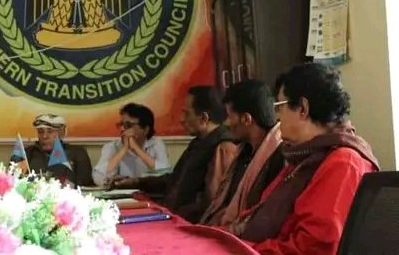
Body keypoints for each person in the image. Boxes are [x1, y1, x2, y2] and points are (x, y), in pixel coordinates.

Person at [234, 63, 379, 254]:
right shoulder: (305, 157)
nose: (277, 117)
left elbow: (312, 249)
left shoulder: (343, 162)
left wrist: (241, 251)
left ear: (303, 108)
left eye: (280, 107)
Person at [112, 87, 237, 222]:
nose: (181, 119)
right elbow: (174, 180)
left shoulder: (224, 148)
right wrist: (135, 182)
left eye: (186, 113)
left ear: (203, 118)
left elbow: (212, 206)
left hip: (186, 224)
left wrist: (169, 215)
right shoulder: (198, 143)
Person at [200, 79, 285, 228]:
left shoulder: (280, 157)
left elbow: (264, 218)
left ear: (246, 119)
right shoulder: (243, 152)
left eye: (229, 116)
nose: (226, 123)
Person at [93, 103, 170, 186]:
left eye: (128, 125)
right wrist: (124, 149)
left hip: (149, 192)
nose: (122, 129)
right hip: (121, 193)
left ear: (146, 129)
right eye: (121, 124)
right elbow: (98, 176)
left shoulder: (156, 144)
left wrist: (136, 149)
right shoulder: (112, 146)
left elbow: (166, 175)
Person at [25, 114, 93, 187]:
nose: (44, 136)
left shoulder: (77, 153)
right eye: (40, 132)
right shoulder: (27, 153)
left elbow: (86, 186)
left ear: (61, 134)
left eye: (50, 132)